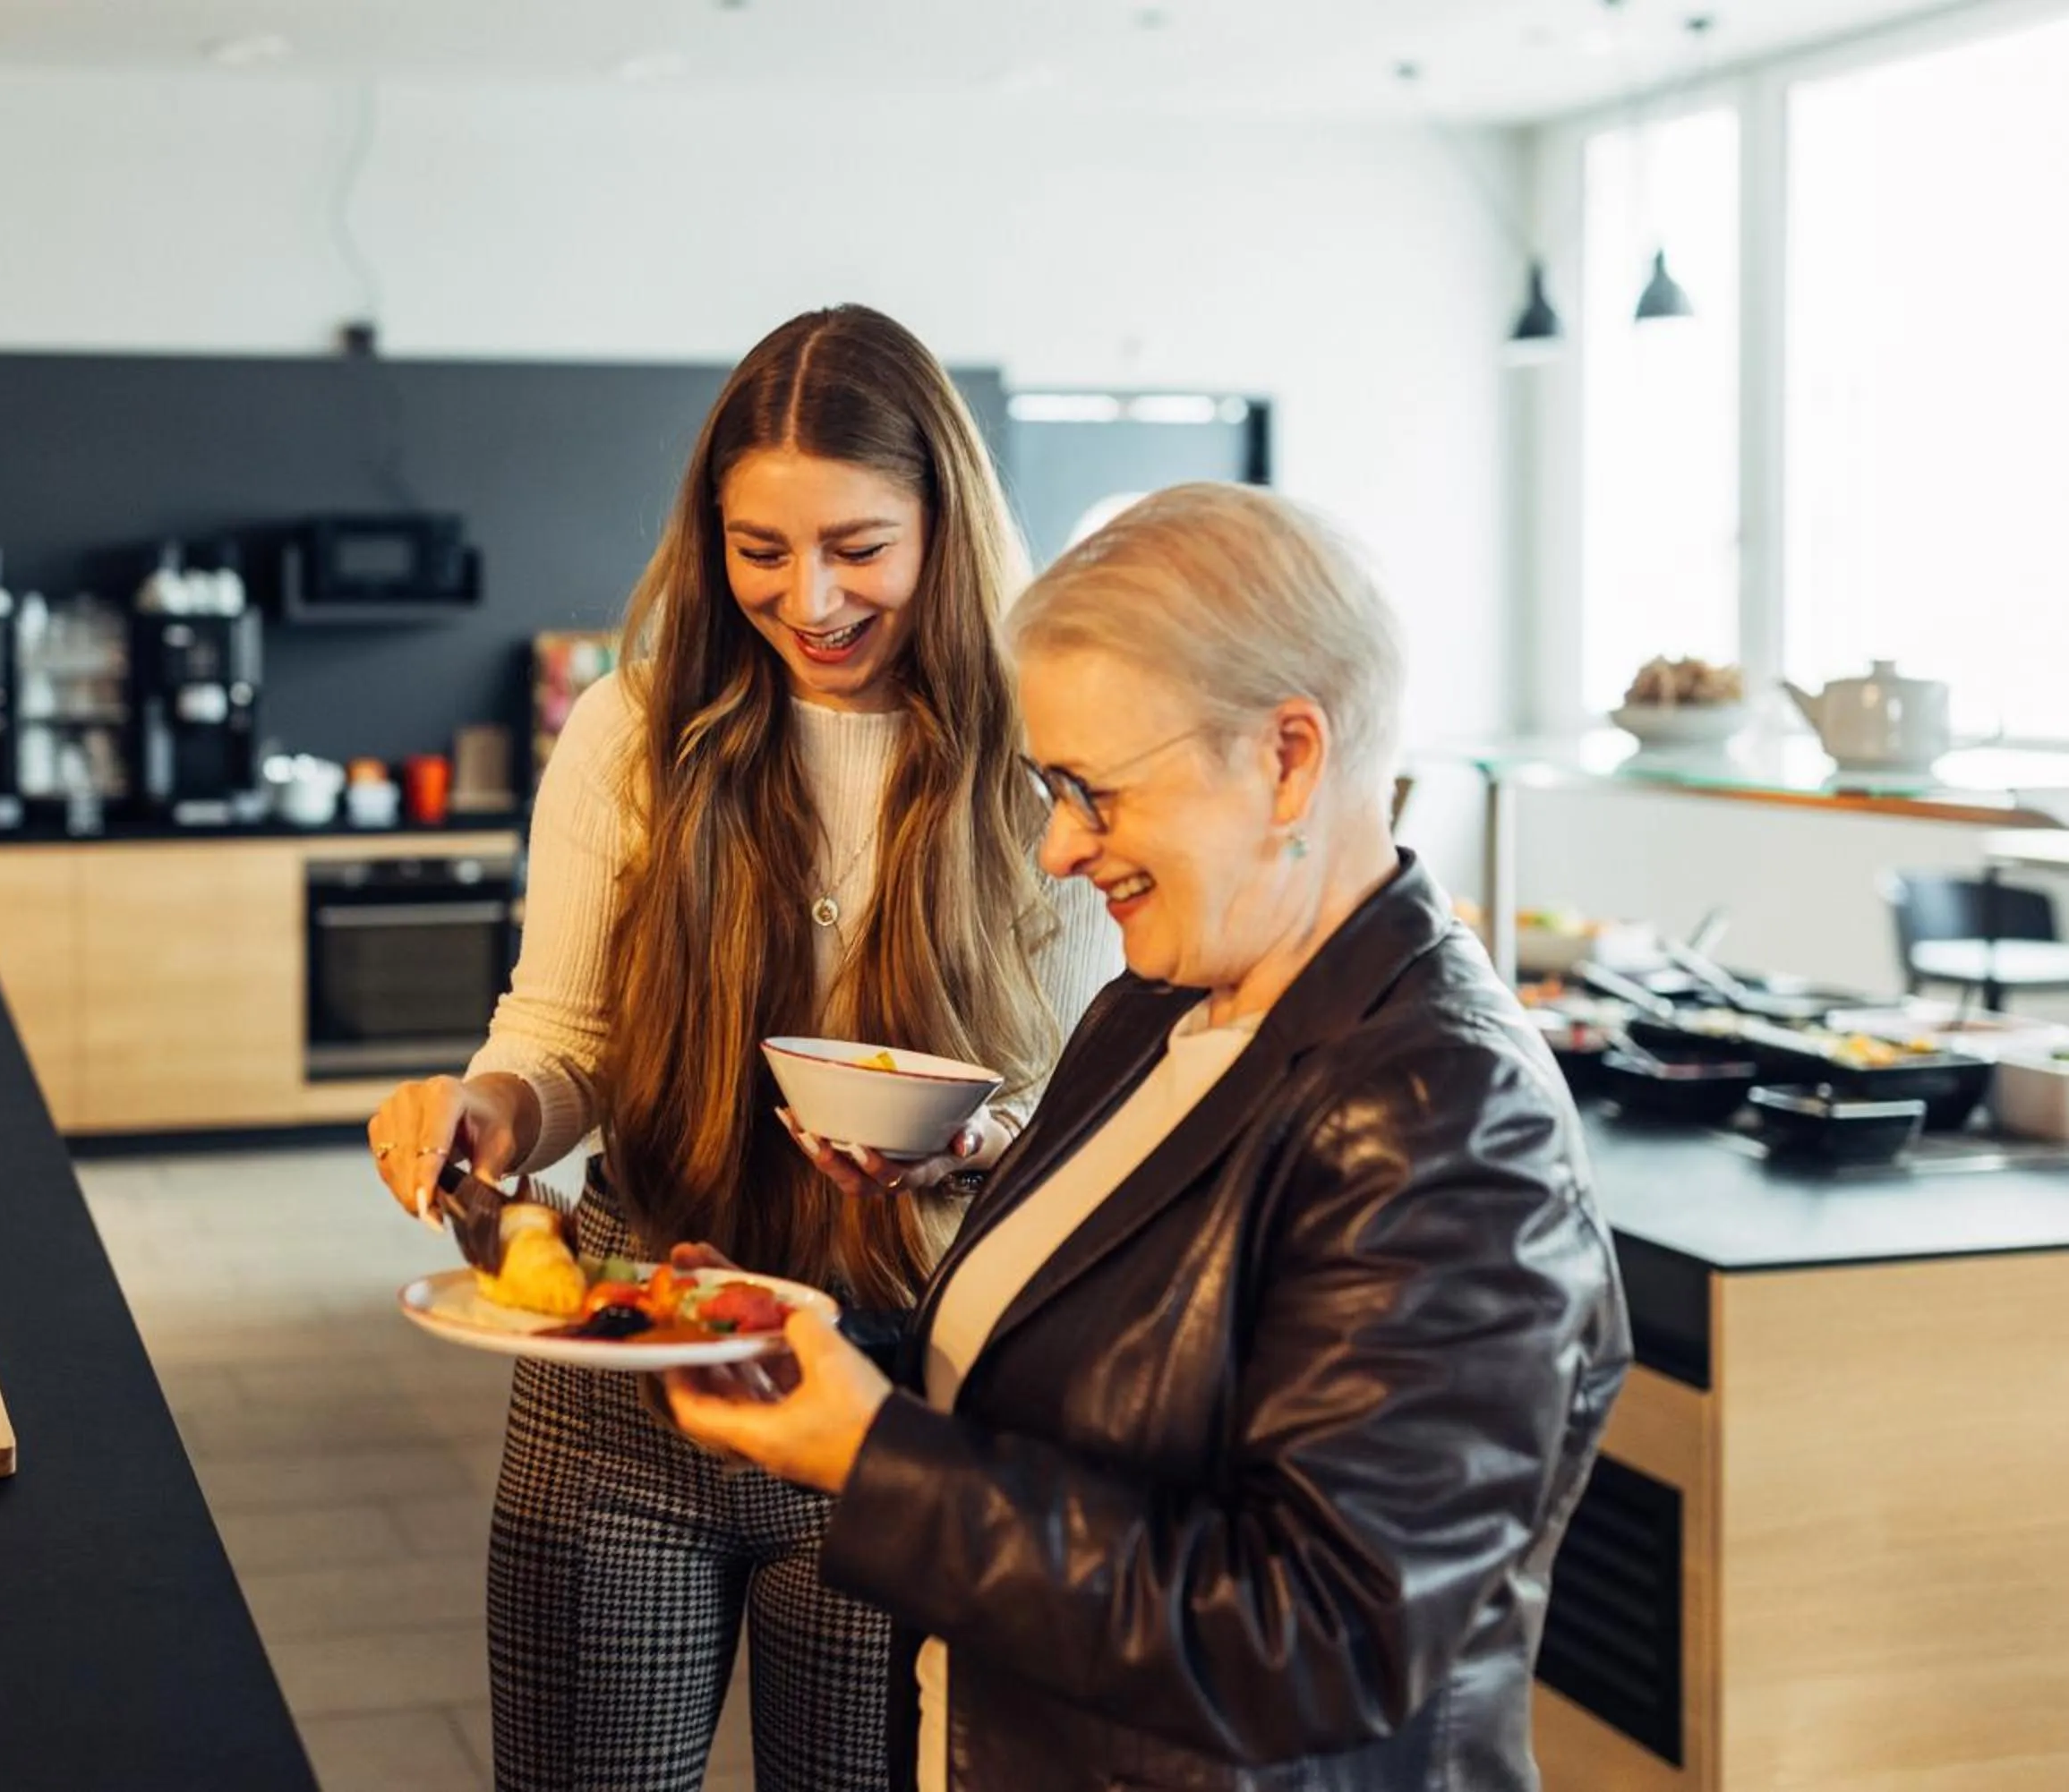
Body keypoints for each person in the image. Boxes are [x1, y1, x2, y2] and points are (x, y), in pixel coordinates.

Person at [670, 482, 1630, 1792]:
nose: (1060, 848)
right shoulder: (1154, 1008)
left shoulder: (1445, 1112)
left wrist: (872, 1456)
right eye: (1049, 788)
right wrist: (818, 1359)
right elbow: (1094, 1389)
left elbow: (1320, 1637)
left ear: (1289, 757)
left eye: (1094, 791)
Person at [364, 304, 1120, 1792]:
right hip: (626, 1366)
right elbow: (564, 1035)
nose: (810, 597)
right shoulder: (637, 728)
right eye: (760, 550)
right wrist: (493, 1108)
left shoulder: (1043, 757)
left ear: (946, 527)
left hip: (899, 1394)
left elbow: (1078, 1114)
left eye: (860, 546)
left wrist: (977, 1143)